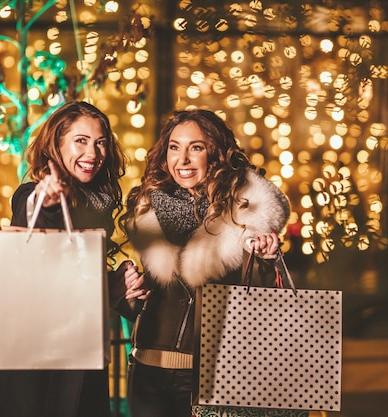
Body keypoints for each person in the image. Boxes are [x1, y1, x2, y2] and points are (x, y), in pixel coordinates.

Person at [0, 101, 137, 417]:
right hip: (18, 359)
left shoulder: (99, 202)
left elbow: (71, 280)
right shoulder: (34, 193)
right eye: (80, 140)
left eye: (100, 142)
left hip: (73, 350)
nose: (92, 153)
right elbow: (31, 210)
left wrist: (116, 286)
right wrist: (46, 198)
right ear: (57, 144)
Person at [120, 109, 291, 417]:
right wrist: (129, 292)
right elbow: (139, 306)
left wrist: (268, 259)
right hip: (145, 373)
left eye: (195, 147)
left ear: (216, 154)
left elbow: (265, 307)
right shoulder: (146, 210)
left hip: (213, 379)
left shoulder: (242, 216)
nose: (182, 159)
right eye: (174, 147)